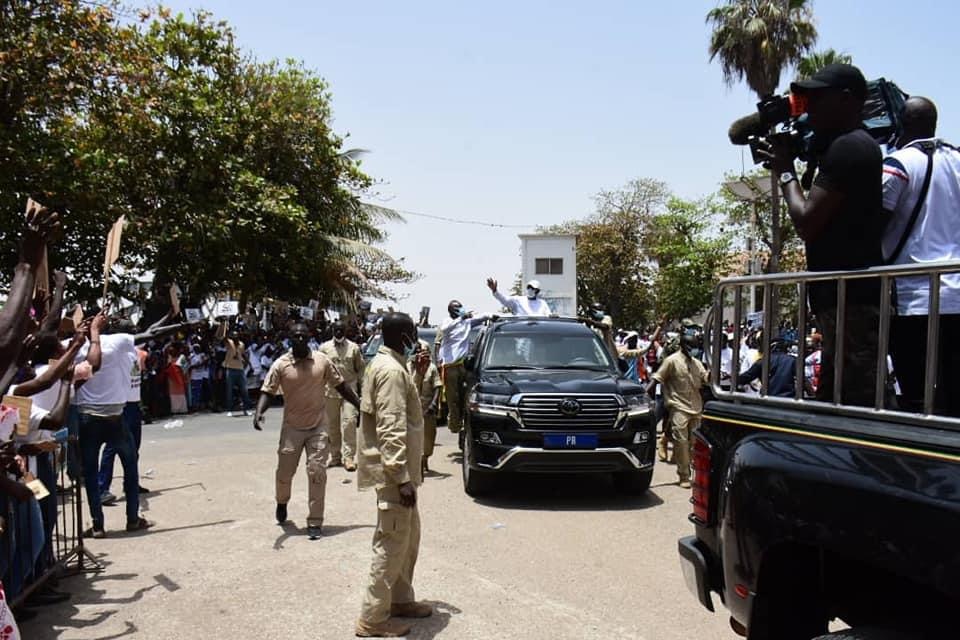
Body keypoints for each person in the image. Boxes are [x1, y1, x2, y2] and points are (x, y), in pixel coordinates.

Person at [761, 63, 883, 407]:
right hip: (840, 296)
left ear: (846, 101)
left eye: (817, 98)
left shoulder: (851, 148)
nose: (808, 106)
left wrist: (786, 172)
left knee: (858, 400)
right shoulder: (839, 147)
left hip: (853, 298)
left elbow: (806, 221)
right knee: (835, 397)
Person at [882, 96, 960, 416]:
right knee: (954, 395)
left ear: (902, 124)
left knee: (916, 396)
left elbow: (873, 222)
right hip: (957, 294)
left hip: (914, 298)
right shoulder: (957, 159)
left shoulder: (899, 163)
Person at [355, 313, 430, 638]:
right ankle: (372, 618)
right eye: (413, 332)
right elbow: (391, 427)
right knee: (391, 542)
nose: (416, 338)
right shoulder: (390, 371)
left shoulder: (393, 366)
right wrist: (401, 477)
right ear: (404, 336)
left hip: (399, 473)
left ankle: (399, 600)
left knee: (407, 537)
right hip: (393, 475)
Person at [254, 323, 360, 540]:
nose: (300, 338)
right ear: (290, 339)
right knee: (284, 474)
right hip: (292, 428)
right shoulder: (280, 365)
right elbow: (268, 390)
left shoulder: (322, 361)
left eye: (303, 335)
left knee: (317, 473)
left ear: (309, 335)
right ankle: (282, 502)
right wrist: (258, 412)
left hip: (318, 428)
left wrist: (360, 404)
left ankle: (315, 522)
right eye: (296, 335)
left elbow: (341, 385)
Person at [648, 333, 709, 488]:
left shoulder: (697, 363)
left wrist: (713, 372)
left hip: (696, 407)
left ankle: (693, 473)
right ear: (683, 346)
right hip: (678, 406)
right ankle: (684, 475)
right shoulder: (671, 361)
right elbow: (657, 378)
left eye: (696, 347)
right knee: (681, 442)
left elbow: (705, 379)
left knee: (694, 444)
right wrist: (644, 395)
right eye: (691, 347)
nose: (694, 350)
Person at [435, 300, 488, 436]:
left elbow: (482, 317)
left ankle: (465, 421)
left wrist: (491, 316)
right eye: (457, 308)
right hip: (450, 366)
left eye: (460, 307)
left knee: (467, 395)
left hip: (463, 365)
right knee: (453, 398)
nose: (460, 309)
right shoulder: (447, 322)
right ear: (451, 310)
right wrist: (461, 318)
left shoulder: (466, 323)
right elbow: (446, 329)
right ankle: (454, 424)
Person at [319, 321, 365, 471]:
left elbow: (361, 371)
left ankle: (349, 458)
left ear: (345, 330)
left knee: (349, 423)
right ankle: (335, 457)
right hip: (330, 392)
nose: (338, 332)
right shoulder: (324, 348)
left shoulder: (354, 348)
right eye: (336, 329)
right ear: (332, 330)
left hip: (349, 392)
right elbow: (319, 371)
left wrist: (363, 391)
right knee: (332, 425)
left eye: (341, 329)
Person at [408, 346, 441, 475]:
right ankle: (417, 463)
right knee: (412, 437)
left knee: (428, 438)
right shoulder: (408, 367)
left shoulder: (432, 368)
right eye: (416, 353)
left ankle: (425, 457)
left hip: (427, 409)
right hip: (412, 409)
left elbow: (437, 387)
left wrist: (434, 404)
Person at [486, 277, 552, 316]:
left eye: (533, 288)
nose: (530, 289)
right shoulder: (518, 300)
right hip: (520, 334)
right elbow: (504, 300)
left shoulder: (542, 303)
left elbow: (549, 316)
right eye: (529, 287)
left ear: (537, 291)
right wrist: (495, 290)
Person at [223, 332, 252, 417]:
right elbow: (223, 337)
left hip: (240, 369)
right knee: (229, 391)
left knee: (244, 390)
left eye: (236, 335)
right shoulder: (229, 342)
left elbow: (243, 354)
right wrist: (224, 325)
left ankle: (246, 409)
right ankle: (229, 410)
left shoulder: (241, 344)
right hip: (230, 369)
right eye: (233, 336)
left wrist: (248, 363)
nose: (235, 337)